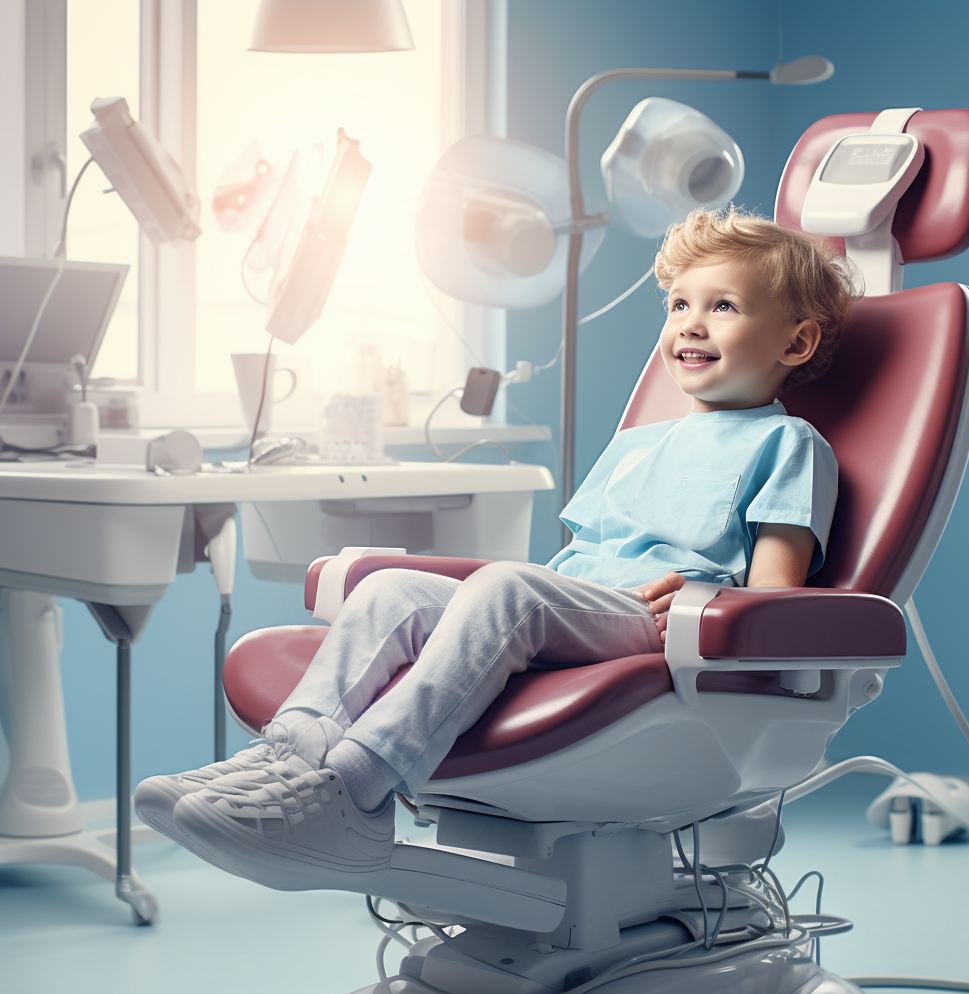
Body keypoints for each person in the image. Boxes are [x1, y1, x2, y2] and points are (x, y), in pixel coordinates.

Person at [135, 209, 857, 891]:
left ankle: (355, 793)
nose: (690, 325)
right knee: (388, 588)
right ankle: (285, 762)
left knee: (511, 587)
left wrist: (718, 612)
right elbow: (581, 558)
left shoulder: (786, 444)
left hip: (656, 625)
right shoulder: (638, 444)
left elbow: (775, 593)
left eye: (723, 307)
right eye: (677, 306)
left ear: (794, 343)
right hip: (573, 605)